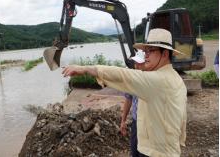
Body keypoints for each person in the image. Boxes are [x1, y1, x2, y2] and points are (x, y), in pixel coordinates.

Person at [62, 28, 187, 157]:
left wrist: (85, 69)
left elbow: (123, 75)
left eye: (151, 51)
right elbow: (182, 115)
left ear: (165, 54)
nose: (146, 55)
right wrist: (180, 138)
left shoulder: (158, 80)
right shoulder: (177, 80)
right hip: (167, 149)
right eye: (145, 51)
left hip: (154, 152)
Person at [120, 49, 145, 157]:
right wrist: (123, 120)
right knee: (134, 152)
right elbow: (128, 99)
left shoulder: (154, 80)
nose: (137, 66)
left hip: (149, 124)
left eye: (140, 64)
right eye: (136, 63)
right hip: (136, 122)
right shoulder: (132, 80)